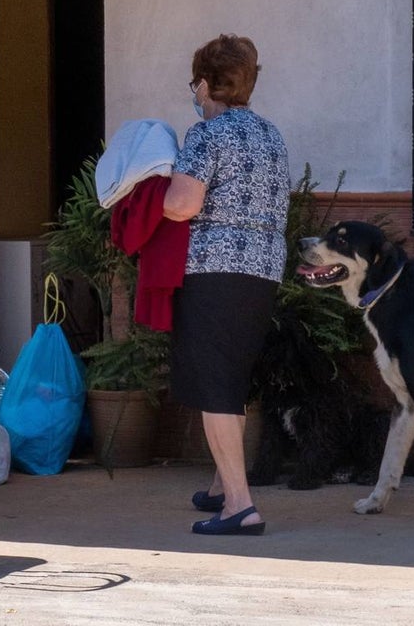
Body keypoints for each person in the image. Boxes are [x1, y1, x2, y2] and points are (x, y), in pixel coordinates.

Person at [163, 34, 289, 535]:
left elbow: (182, 204)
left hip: (214, 270)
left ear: (205, 83)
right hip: (262, 270)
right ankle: (220, 485)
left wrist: (149, 189)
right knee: (232, 377)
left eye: (195, 81)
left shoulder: (205, 135)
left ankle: (239, 505)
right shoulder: (270, 134)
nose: (193, 91)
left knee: (216, 387)